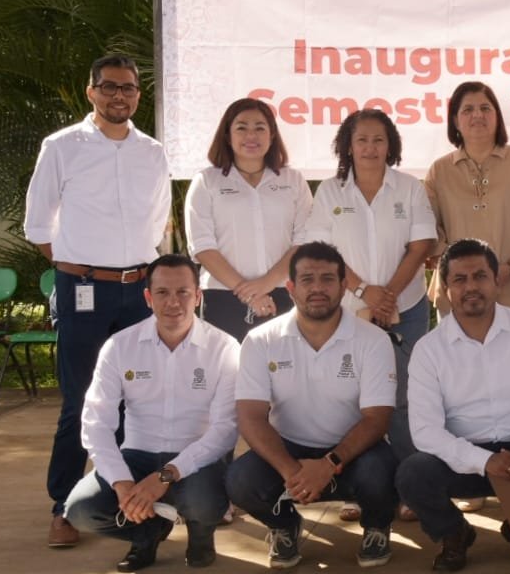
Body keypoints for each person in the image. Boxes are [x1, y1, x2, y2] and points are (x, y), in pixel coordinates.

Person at [24, 53, 172, 548]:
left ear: (137, 95)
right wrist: (75, 266)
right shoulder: (62, 146)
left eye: (128, 88)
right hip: (82, 289)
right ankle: (63, 506)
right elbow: (38, 225)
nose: (119, 96)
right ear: (91, 92)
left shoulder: (152, 152)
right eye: (108, 87)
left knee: (137, 400)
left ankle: (128, 501)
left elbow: (158, 224)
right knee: (80, 401)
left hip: (138, 291)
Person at [399, 240, 510, 572]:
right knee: (412, 474)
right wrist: (486, 460)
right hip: (461, 455)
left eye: (480, 276)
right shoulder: (429, 349)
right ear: (446, 288)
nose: (471, 287)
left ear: (496, 281)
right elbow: (425, 431)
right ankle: (455, 535)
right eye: (459, 279)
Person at [226, 242, 400, 568]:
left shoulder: (373, 340)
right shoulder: (261, 340)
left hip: (353, 451)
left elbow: (377, 419)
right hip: (288, 450)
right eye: (307, 279)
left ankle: (376, 525)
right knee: (240, 480)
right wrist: (292, 471)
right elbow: (250, 418)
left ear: (344, 286)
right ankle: (285, 526)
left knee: (383, 472)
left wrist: (328, 464)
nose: (317, 288)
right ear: (290, 287)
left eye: (327, 279)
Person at [63, 255, 238, 571]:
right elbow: (96, 422)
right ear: (147, 297)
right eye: (162, 293)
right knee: (79, 510)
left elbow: (225, 429)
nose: (173, 302)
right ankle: (147, 530)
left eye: (183, 292)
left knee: (204, 501)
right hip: (137, 456)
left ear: (198, 296)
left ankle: (201, 532)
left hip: (196, 458)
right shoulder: (120, 346)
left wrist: (166, 475)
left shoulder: (224, 348)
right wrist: (121, 484)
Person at [304, 108, 436, 478]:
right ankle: (361, 487)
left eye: (379, 139)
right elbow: (322, 252)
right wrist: (363, 290)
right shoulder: (330, 190)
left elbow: (421, 244)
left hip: (405, 310)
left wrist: (388, 294)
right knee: (354, 400)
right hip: (347, 313)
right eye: (361, 139)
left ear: (390, 145)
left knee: (404, 398)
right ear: (348, 146)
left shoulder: (409, 188)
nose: (370, 147)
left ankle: (412, 483)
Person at [184, 97, 312, 340]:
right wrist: (251, 293)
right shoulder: (207, 182)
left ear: (272, 135)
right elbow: (202, 246)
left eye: (260, 128)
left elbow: (304, 240)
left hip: (285, 294)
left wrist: (267, 284)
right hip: (224, 297)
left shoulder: (293, 180)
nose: (251, 136)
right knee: (227, 375)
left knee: (284, 375)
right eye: (241, 127)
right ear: (228, 135)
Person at [424, 81, 510, 313]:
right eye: (468, 110)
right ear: (456, 121)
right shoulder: (439, 171)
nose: (477, 115)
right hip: (456, 297)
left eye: (485, 108)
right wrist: (460, 275)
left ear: (497, 116)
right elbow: (429, 231)